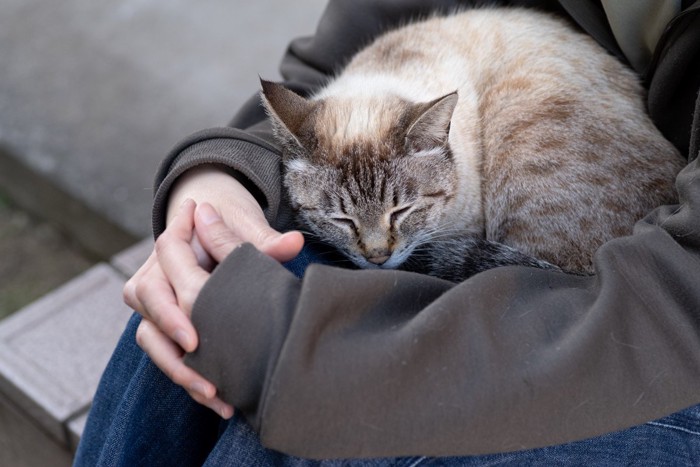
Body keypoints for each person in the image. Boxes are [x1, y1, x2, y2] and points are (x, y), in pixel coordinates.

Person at [75, 0, 700, 464]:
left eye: (391, 226)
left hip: (651, 321)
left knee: (320, 430)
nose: (379, 248)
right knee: (196, 297)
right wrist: (222, 175)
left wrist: (315, 362)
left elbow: (676, 306)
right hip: (414, 159)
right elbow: (316, 76)